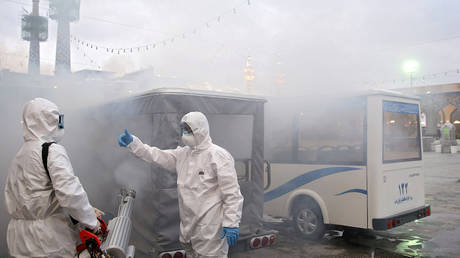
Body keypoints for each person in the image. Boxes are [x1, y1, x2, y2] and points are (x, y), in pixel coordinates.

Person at [118, 111, 243, 258]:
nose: (185, 133)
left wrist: (231, 223)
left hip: (211, 228)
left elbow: (232, 193)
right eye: (183, 129)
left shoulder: (218, 156)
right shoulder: (183, 154)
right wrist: (133, 143)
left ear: (201, 129)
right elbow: (156, 155)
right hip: (188, 227)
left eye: (188, 129)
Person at [4, 98, 103, 257]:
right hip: (47, 240)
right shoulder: (51, 150)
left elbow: (36, 196)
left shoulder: (20, 155)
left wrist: (86, 211)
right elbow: (70, 194)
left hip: (18, 237)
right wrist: (92, 222)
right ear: (50, 121)